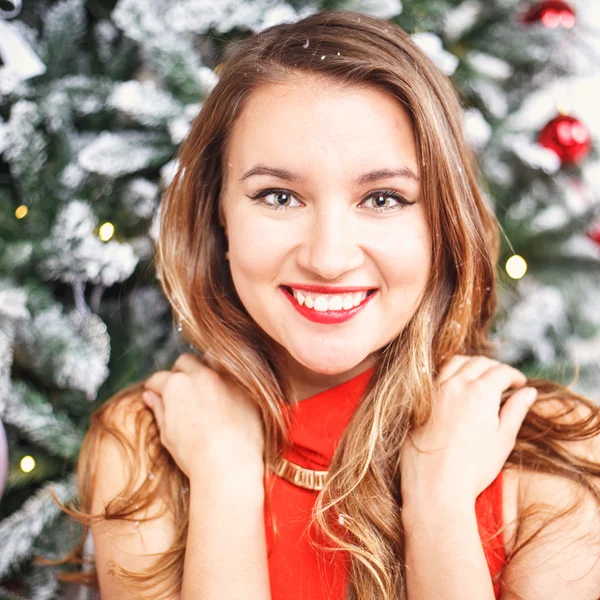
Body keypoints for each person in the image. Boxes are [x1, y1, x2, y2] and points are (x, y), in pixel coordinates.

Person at [50, 9, 600, 600]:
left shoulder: (551, 449)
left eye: (384, 198)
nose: (329, 258)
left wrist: (439, 510)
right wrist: (224, 489)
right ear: (219, 215)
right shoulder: (147, 443)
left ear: (442, 221)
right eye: (279, 196)